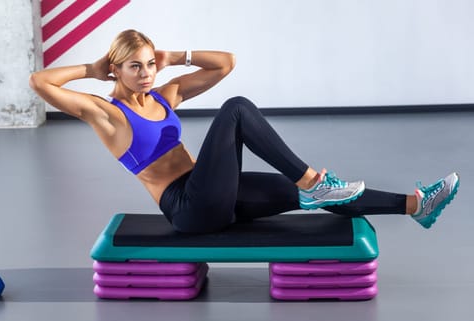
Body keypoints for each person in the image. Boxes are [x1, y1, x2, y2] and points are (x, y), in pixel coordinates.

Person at [29, 29, 459, 233]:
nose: (145, 73)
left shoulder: (164, 96)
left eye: (149, 63)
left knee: (303, 196)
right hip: (188, 206)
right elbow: (40, 82)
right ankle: (314, 180)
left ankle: (414, 205)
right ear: (117, 70)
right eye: (134, 66)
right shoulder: (109, 114)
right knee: (235, 109)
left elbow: (226, 63)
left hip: (213, 190)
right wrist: (93, 68)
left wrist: (176, 55)